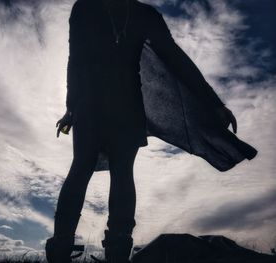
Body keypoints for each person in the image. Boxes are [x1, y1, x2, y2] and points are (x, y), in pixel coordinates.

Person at [45, 0, 255, 262]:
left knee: (97, 171)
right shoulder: (99, 9)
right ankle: (102, 251)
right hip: (105, 107)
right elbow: (76, 60)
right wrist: (71, 108)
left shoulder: (96, 8)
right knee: (105, 172)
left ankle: (88, 251)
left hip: (105, 107)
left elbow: (175, 58)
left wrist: (214, 103)